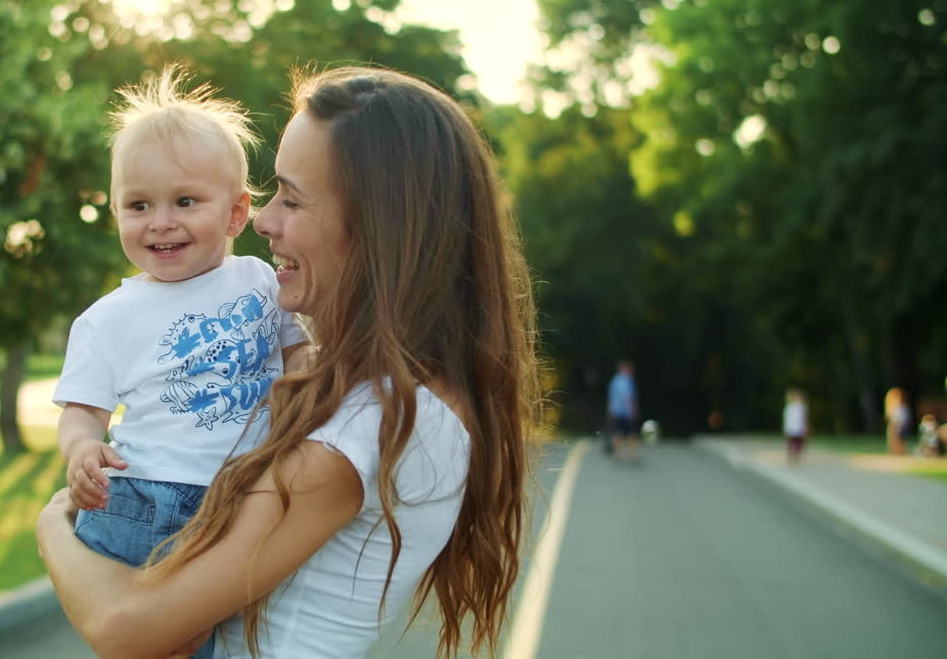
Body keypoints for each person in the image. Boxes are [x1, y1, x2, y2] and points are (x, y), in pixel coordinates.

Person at [37, 66, 540, 659]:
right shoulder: (388, 394)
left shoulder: (366, 427)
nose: (263, 220)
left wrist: (51, 527)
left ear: (379, 226)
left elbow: (126, 627)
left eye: (291, 198)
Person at [50, 66, 307, 658]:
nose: (160, 221)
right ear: (115, 211)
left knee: (231, 632)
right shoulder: (107, 319)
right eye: (138, 205)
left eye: (185, 201)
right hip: (144, 497)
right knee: (155, 636)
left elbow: (300, 354)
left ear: (237, 214)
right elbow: (82, 411)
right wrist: (82, 449)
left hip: (244, 491)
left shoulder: (260, 280)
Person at [607, 360, 639, 462]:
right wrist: (632, 410)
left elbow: (610, 397)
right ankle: (631, 454)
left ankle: (617, 454)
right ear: (625, 369)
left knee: (617, 433)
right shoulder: (627, 380)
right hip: (626, 412)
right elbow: (627, 396)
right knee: (631, 433)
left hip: (615, 411)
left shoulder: (614, 381)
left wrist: (610, 411)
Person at [782, 388, 808, 465]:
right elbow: (787, 419)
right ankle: (790, 457)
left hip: (799, 428)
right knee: (791, 443)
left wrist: (805, 428)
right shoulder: (789, 407)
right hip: (791, 428)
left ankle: (796, 457)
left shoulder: (802, 408)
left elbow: (804, 419)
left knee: (799, 444)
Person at [884, 387, 911, 455]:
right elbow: (889, 417)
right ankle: (894, 451)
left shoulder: (904, 408)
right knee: (893, 438)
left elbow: (906, 419)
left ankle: (901, 451)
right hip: (894, 426)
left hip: (902, 427)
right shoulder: (892, 407)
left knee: (901, 440)